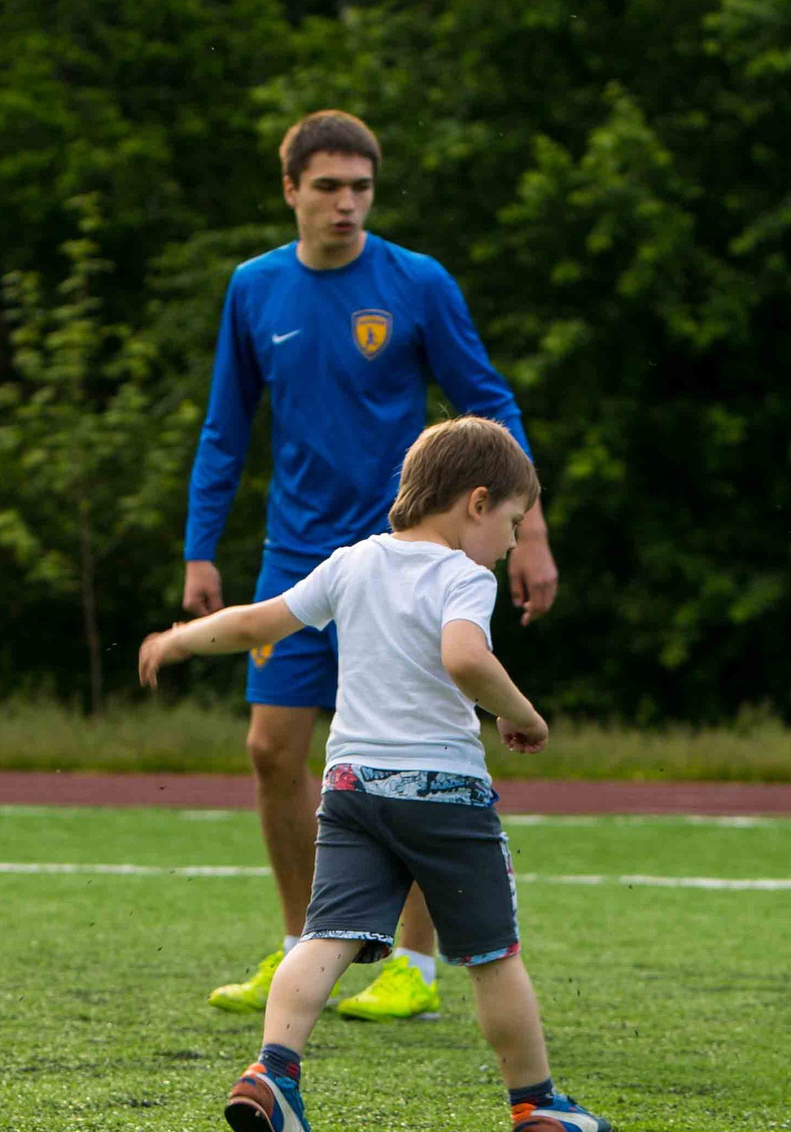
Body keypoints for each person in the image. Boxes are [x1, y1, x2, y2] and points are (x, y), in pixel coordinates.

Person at [141, 416, 613, 1132]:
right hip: (445, 792)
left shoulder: (352, 562)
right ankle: (537, 1105)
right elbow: (463, 657)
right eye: (515, 523)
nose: (516, 542)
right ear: (477, 503)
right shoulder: (464, 574)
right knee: (493, 953)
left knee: (325, 936)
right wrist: (521, 712)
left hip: (352, 786)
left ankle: (274, 1073)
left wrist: (178, 639)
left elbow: (261, 623)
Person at [183, 110, 559, 1021]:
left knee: (426, 756)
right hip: (302, 557)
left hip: (411, 561)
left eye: (361, 187)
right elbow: (227, 427)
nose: (347, 203)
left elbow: (489, 402)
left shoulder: (417, 282)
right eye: (328, 187)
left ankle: (413, 967)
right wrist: (200, 547)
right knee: (271, 748)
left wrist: (534, 528)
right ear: (291, 191)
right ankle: (297, 944)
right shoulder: (254, 288)